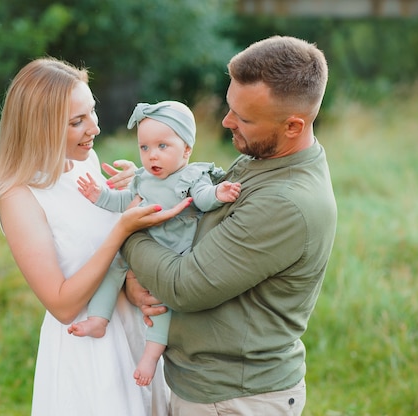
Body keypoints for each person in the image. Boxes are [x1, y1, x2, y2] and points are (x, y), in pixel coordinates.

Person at [122, 35, 337, 415]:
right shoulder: (263, 160)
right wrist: (149, 183)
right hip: (210, 388)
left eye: (244, 118)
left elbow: (183, 286)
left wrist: (127, 230)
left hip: (235, 399)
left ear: (292, 126)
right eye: (230, 106)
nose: (226, 121)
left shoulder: (284, 202)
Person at [0, 57, 191, 416]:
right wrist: (122, 227)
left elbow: (107, 253)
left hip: (134, 334)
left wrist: (141, 189)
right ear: (39, 127)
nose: (95, 128)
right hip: (90, 355)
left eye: (91, 112)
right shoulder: (18, 196)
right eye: (77, 122)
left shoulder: (82, 162)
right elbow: (62, 304)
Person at [71, 100, 241, 387]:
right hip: (142, 245)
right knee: (111, 268)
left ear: (186, 149)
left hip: (172, 253)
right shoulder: (144, 178)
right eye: (145, 148)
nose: (153, 156)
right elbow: (124, 201)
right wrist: (98, 196)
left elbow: (202, 197)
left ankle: (151, 356)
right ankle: (99, 319)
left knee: (160, 304)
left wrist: (218, 193)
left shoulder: (191, 176)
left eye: (163, 146)